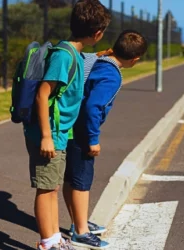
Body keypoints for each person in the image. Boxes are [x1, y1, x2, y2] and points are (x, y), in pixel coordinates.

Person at [23, 1, 111, 249]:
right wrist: (46, 136)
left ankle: (53, 239)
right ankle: (47, 242)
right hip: (49, 133)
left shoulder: (73, 53)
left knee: (52, 187)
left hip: (58, 133)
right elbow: (43, 95)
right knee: (45, 188)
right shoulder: (64, 56)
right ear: (97, 33)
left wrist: (101, 55)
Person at [62, 30, 148, 249]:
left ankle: (78, 223)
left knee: (72, 179)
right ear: (135, 59)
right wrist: (93, 139)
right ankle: (80, 233)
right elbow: (93, 106)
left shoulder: (101, 61)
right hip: (83, 132)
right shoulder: (112, 75)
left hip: (72, 126)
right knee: (82, 182)